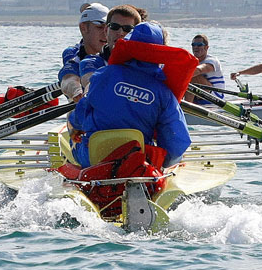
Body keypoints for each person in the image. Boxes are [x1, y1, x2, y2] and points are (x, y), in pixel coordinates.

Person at [67, 21, 194, 169]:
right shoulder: (164, 93)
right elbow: (177, 142)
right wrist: (165, 165)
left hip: (93, 158)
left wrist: (75, 125)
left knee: (72, 119)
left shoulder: (103, 74)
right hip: (138, 162)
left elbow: (83, 111)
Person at [79, 4, 145, 88]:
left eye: (127, 29)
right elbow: (90, 82)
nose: (120, 33)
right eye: (115, 27)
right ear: (106, 30)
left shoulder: (145, 64)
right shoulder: (91, 62)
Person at [58, 2, 110, 102]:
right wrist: (76, 91)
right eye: (99, 27)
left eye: (108, 28)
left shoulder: (118, 52)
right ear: (83, 28)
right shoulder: (72, 54)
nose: (105, 33)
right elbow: (68, 78)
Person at [186, 33, 228, 104]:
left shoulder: (212, 61)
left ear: (206, 47)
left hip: (216, 98)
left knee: (193, 76)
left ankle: (186, 107)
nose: (196, 47)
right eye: (193, 45)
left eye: (199, 45)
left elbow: (199, 70)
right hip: (201, 95)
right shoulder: (192, 61)